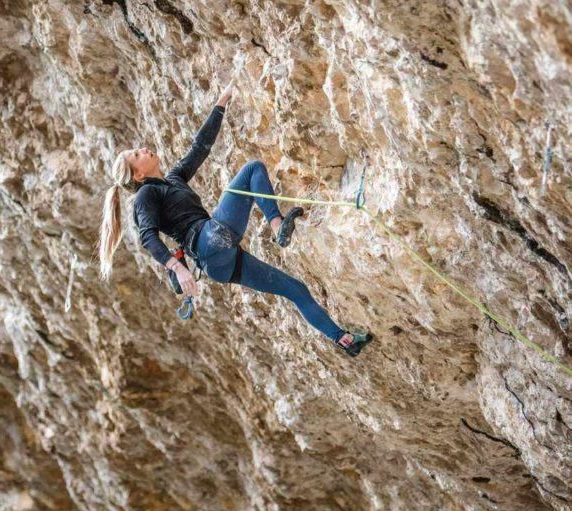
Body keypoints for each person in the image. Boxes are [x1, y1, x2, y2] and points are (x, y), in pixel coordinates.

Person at [97, 77, 373, 357]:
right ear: (138, 174)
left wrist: (222, 101)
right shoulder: (146, 195)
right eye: (136, 154)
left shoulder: (173, 179)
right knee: (253, 169)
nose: (143, 149)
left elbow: (200, 148)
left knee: (295, 289)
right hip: (209, 240)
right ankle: (277, 226)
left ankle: (345, 340)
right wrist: (178, 268)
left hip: (218, 265)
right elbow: (147, 236)